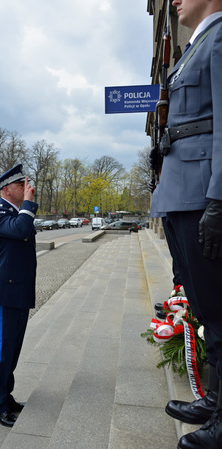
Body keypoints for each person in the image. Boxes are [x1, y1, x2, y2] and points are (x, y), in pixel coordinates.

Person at [155, 0, 222, 447]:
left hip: (202, 194)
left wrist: (219, 199)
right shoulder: (195, 47)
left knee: (219, 310)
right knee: (203, 307)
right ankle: (216, 400)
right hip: (180, 195)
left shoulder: (219, 39)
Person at [0, 164, 38, 427]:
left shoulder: (16, 213)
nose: (28, 189)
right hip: (5, 293)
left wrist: (26, 205)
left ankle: (7, 397)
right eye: (21, 185)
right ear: (6, 190)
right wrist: (28, 203)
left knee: (13, 351)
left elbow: (23, 228)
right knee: (2, 352)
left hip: (19, 291)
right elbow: (20, 230)